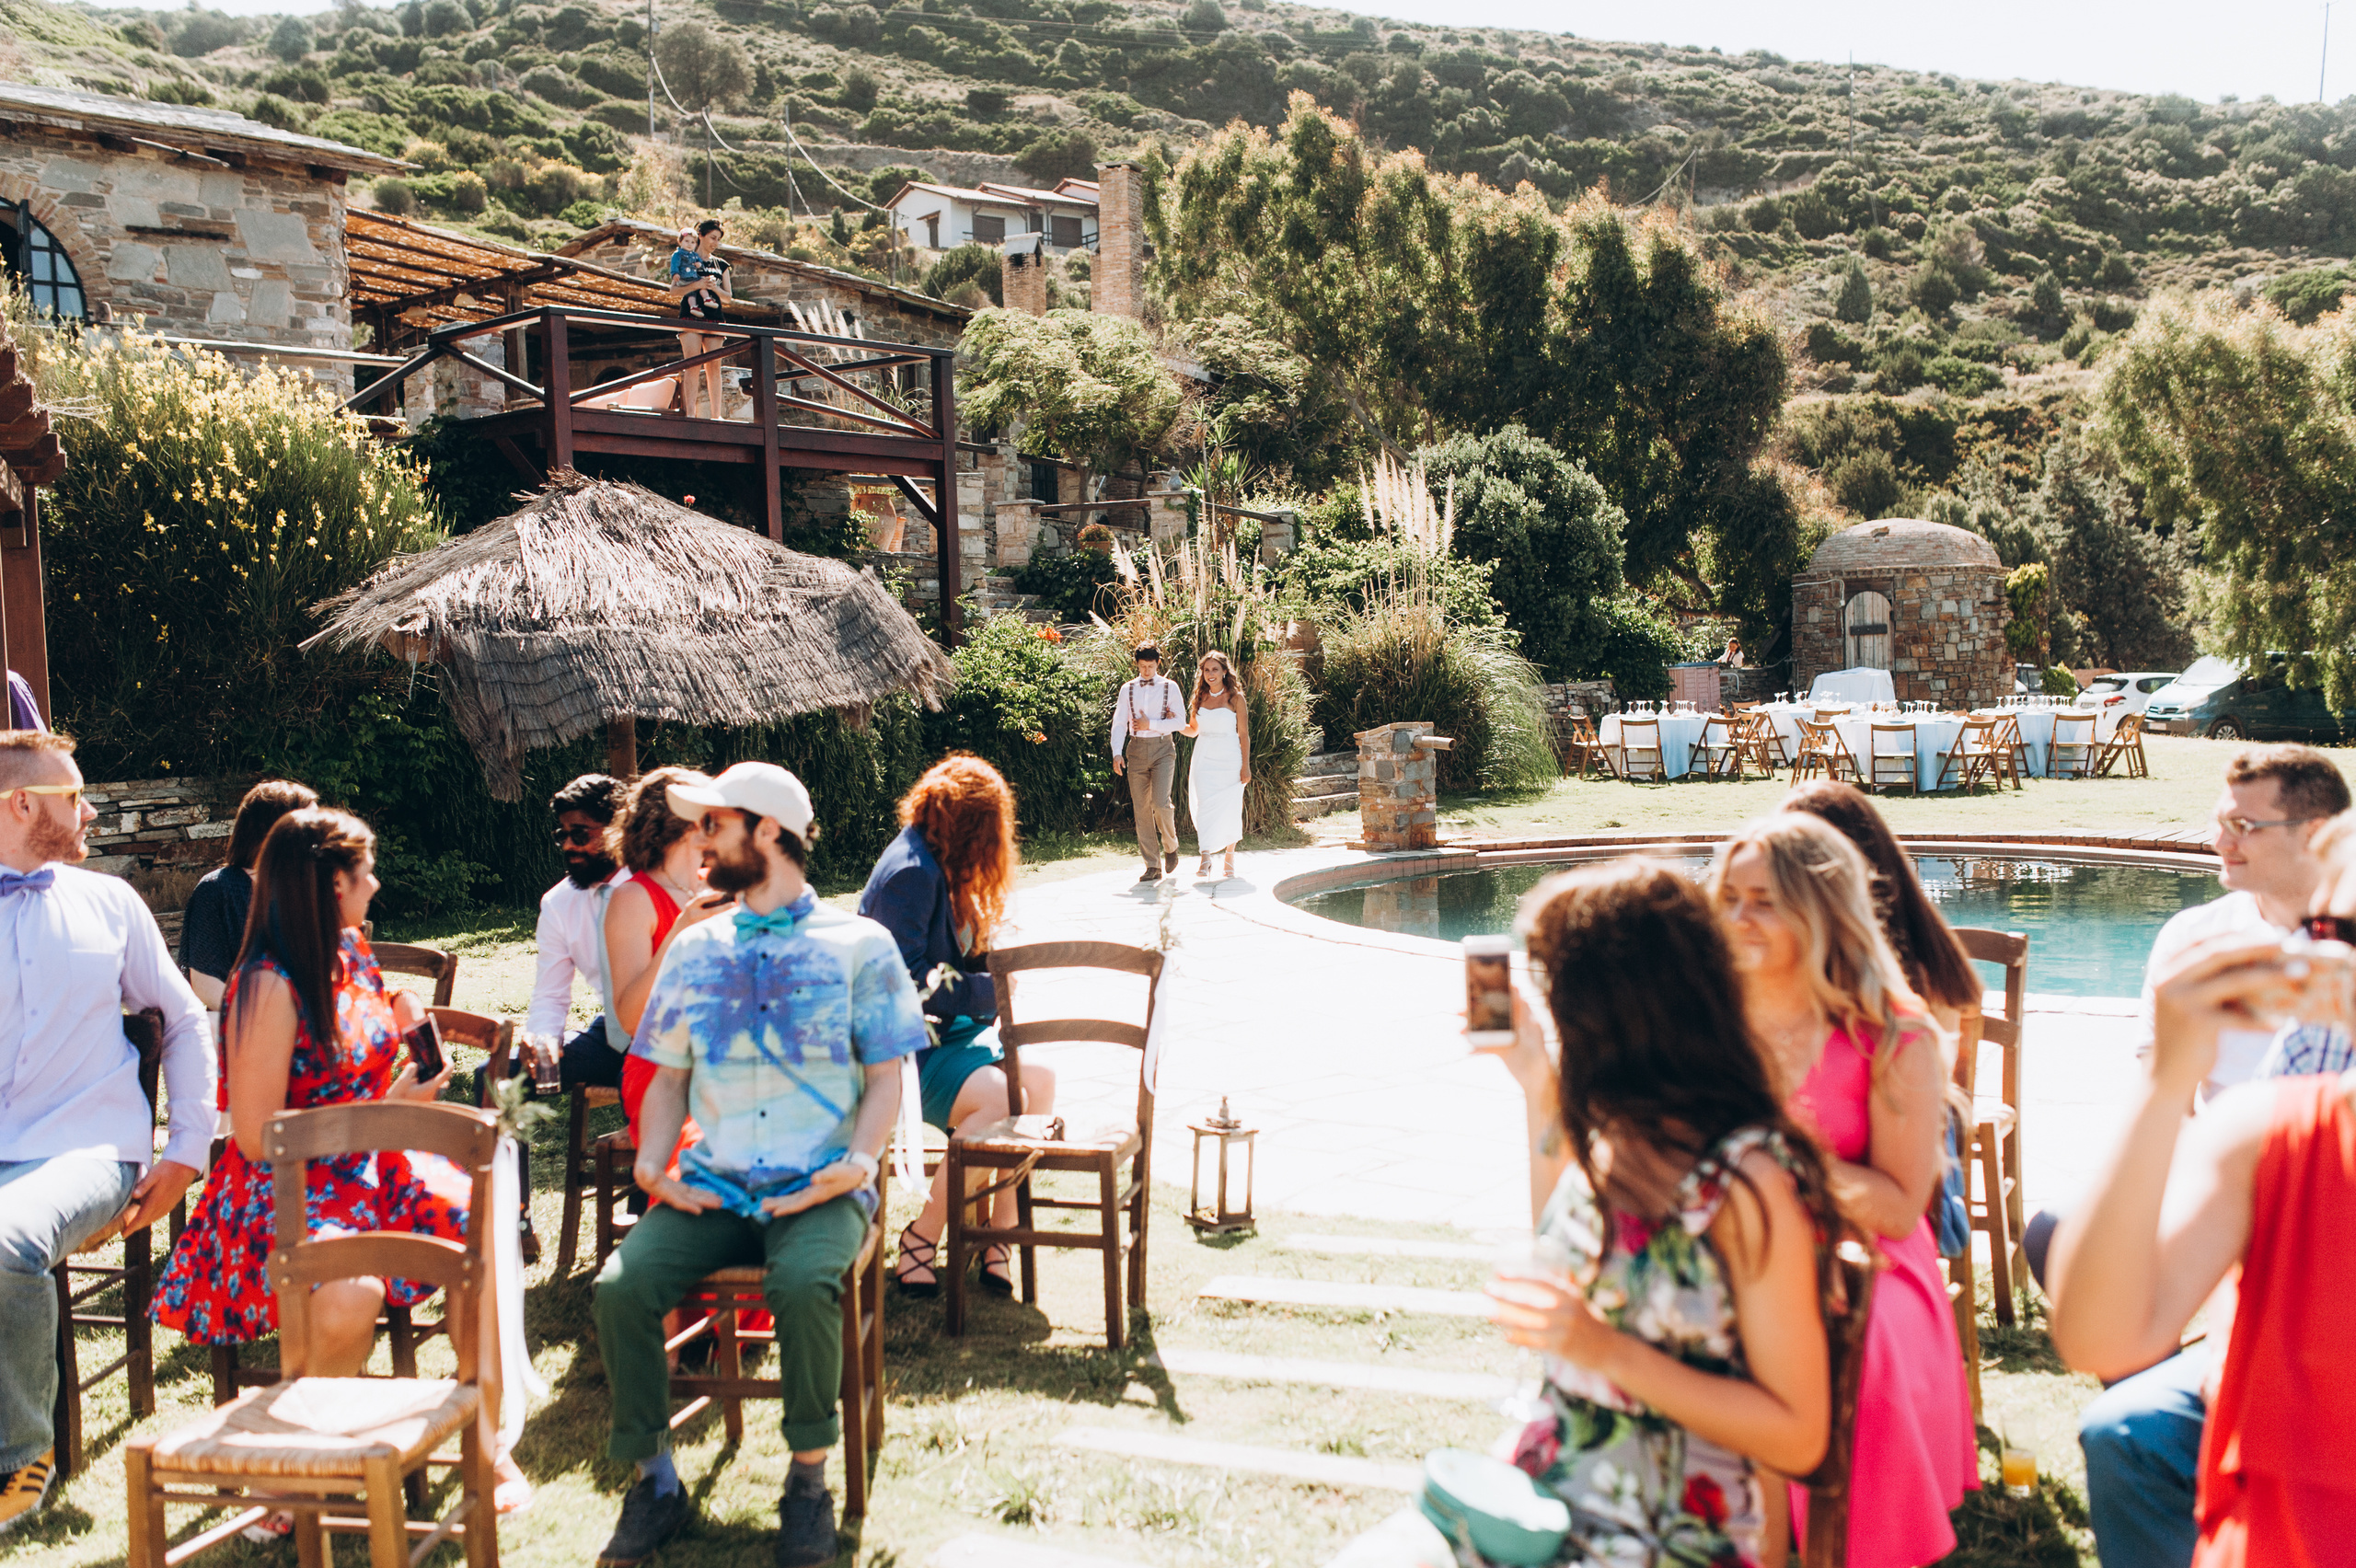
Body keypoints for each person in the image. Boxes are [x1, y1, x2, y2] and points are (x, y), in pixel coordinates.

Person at [1334, 859, 1836, 1567]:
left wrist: (1604, 1350)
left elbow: (1798, 1434)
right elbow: (1562, 1249)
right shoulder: (1620, 1134)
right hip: (1541, 1505)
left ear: (1623, 1012)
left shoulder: (1749, 1185)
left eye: (1562, 996)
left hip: (1656, 1534)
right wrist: (1536, 1078)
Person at [151, 807, 528, 1520]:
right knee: (351, 1288)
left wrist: (409, 1010)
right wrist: (386, 1105)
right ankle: (293, 1464)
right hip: (284, 1187)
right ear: (329, 885)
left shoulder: (347, 951)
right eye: (366, 871)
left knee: (481, 1226)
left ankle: (487, 1441)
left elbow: (378, 1009)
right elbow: (261, 1140)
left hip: (371, 1165)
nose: (377, 884)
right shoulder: (267, 984)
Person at [591, 763, 923, 1568]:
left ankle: (808, 1479)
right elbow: (667, 1075)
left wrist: (855, 1162)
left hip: (820, 1184)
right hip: (714, 1180)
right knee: (620, 1288)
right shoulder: (695, 949)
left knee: (803, 1283)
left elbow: (886, 1079)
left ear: (767, 833)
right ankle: (654, 1480)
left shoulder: (860, 945)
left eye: (716, 825)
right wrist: (654, 1165)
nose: (701, 843)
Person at [2040, 745, 2350, 1568]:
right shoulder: (2275, 1124)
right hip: (2240, 1239)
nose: (2333, 963)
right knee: (2124, 1425)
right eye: (2329, 937)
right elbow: (2099, 1337)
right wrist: (2169, 1079)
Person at [1712, 813, 1976, 1568]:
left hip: (1869, 1254)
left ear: (1819, 907)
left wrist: (1777, 1154)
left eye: (1761, 900)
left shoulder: (1896, 1032)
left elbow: (1898, 1205)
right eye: (1729, 896)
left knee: (1853, 1343)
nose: (1737, 917)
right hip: (1731, 1239)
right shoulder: (1712, 1016)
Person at [0, 732, 213, 1534]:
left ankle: (21, 1454)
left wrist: (185, 1152)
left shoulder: (110, 904)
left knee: (5, 1238)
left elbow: (185, 1022)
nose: (89, 809)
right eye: (74, 795)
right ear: (23, 805)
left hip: (84, 1148)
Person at [859, 755, 1056, 1298]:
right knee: (998, 1100)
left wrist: (996, 966)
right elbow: (905, 980)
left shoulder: (941, 864)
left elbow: (958, 958)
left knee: (1040, 1082)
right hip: (902, 1048)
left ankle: (997, 1238)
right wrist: (985, 992)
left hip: (948, 1037)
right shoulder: (911, 874)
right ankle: (922, 1238)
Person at [602, 767, 723, 1144]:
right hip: (664, 1072)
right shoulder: (633, 898)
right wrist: (678, 932)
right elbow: (631, 1020)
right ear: (689, 823)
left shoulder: (716, 885)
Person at [179, 778, 319, 1009]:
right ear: (273, 830)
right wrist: (262, 1020)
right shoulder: (217, 889)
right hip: (243, 1026)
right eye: (311, 825)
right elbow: (206, 984)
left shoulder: (311, 887)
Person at [527, 772, 628, 1088]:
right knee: (498, 1072)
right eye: (563, 835)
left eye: (581, 834)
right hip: (612, 1035)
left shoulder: (655, 886)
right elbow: (550, 993)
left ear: (617, 831)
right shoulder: (559, 903)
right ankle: (502, 1140)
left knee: (643, 1085)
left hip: (673, 1037)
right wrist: (543, 1039)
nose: (569, 845)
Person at [1108, 642, 1187, 882]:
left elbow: (1180, 722)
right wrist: (1117, 752)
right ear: (1137, 664)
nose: (1146, 671)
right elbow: (1120, 722)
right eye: (1142, 667)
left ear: (1158, 664)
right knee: (1141, 807)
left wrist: (1150, 724)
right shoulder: (1127, 689)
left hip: (1163, 748)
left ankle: (1171, 846)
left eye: (1150, 667)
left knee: (1161, 803)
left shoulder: (1169, 687)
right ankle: (1152, 865)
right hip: (1137, 750)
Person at [1180, 651, 1251, 882]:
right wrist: (1173, 724)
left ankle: (1229, 856)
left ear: (1224, 672)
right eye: (1206, 670)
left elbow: (1244, 735)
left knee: (1230, 807)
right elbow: (1193, 731)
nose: (1210, 674)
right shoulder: (1199, 698)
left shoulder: (1236, 698)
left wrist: (1246, 766)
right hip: (1204, 759)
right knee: (1204, 806)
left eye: (1215, 669)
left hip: (1230, 759)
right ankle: (1206, 856)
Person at [668, 218, 733, 420]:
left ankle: (716, 416)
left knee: (715, 367)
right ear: (701, 236)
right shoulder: (684, 257)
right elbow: (673, 292)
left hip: (715, 318)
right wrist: (698, 285)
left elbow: (728, 298)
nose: (715, 242)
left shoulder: (721, 264)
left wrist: (714, 288)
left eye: (718, 240)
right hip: (690, 316)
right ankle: (691, 415)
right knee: (692, 365)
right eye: (712, 238)